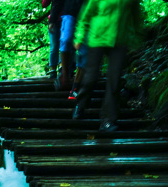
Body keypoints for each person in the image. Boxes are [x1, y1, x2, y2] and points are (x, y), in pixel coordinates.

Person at [71, 0, 143, 131]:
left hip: (120, 41)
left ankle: (108, 120)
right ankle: (80, 104)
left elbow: (136, 17)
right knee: (91, 78)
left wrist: (137, 39)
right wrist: (79, 37)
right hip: (97, 38)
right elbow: (85, 16)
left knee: (114, 81)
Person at [50, 0, 84, 90]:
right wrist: (52, 20)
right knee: (66, 40)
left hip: (86, 13)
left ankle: (77, 81)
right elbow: (57, 2)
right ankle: (65, 76)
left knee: (83, 48)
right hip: (70, 12)